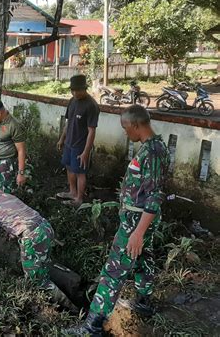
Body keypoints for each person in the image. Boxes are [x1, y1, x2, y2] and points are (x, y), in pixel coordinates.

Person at [62, 105, 170, 336]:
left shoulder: (152, 152)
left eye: (125, 127)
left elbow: (153, 197)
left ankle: (92, 327)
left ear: (137, 125)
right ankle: (143, 301)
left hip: (137, 221)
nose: (125, 132)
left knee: (113, 271)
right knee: (143, 258)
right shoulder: (155, 147)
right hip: (139, 220)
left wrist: (138, 232)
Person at [0, 174, 75, 309]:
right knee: (42, 268)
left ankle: (71, 310)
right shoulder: (9, 196)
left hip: (32, 236)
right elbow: (17, 216)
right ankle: (61, 296)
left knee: (37, 281)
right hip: (46, 227)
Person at [56, 74, 100, 207]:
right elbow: (68, 122)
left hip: (80, 145)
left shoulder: (91, 105)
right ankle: (72, 192)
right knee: (69, 167)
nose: (75, 93)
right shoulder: (72, 101)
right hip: (69, 143)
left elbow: (92, 130)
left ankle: (79, 199)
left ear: (84, 88)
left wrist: (86, 152)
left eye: (78, 90)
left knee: (80, 172)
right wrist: (62, 138)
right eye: (72, 90)